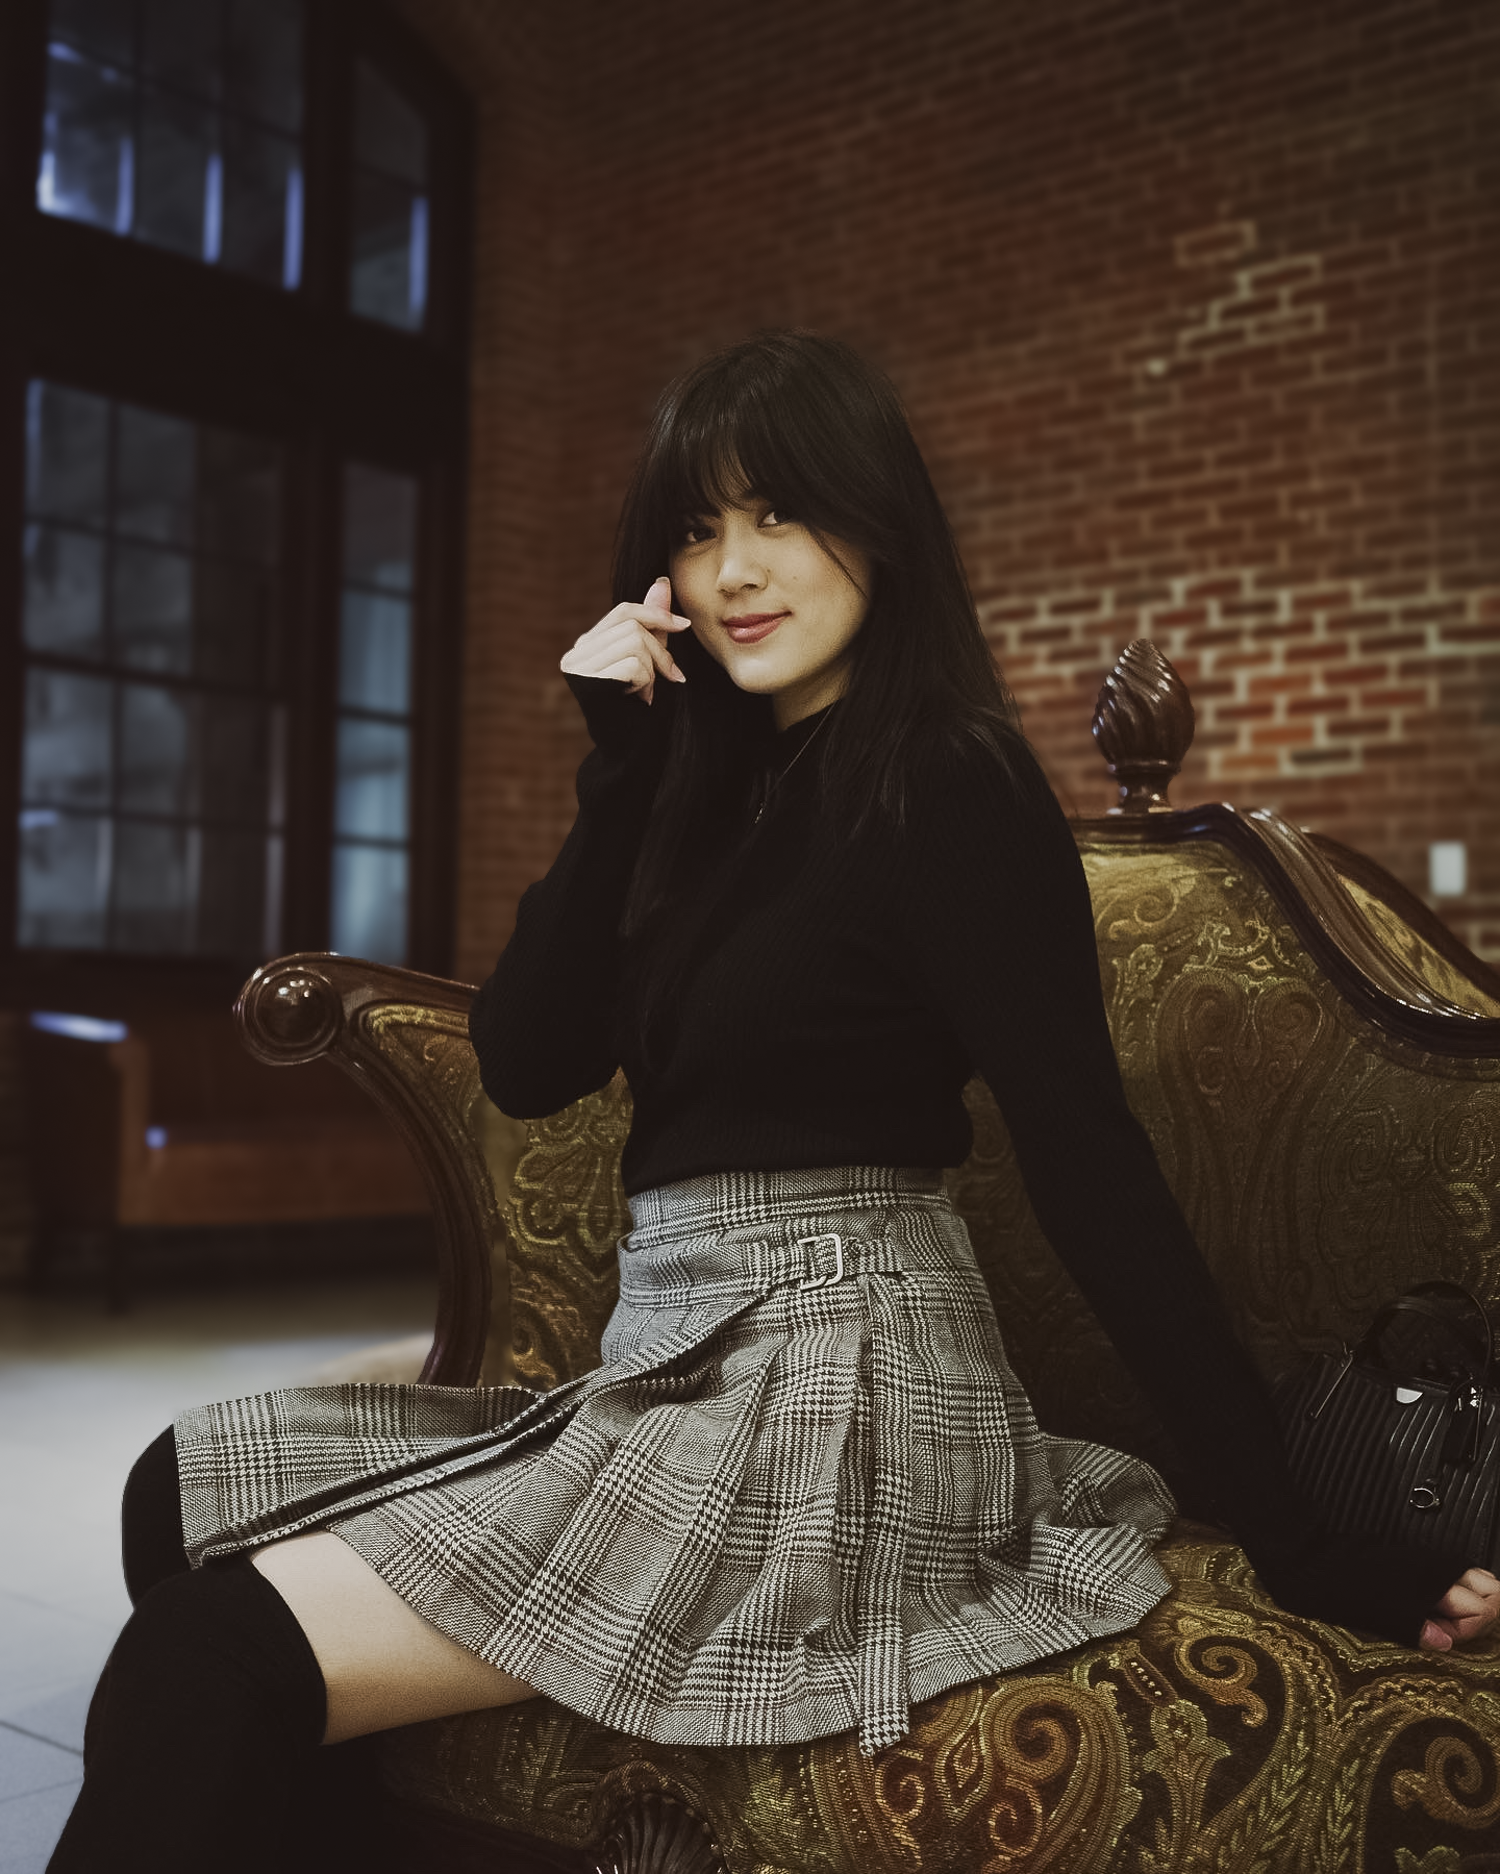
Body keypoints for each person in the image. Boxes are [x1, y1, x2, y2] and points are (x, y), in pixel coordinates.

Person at [50, 330, 1499, 1871]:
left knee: (205, 1650)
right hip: (677, 1347)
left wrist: (1294, 1533)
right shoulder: (708, 792)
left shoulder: (949, 778)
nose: (733, 567)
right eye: (695, 525)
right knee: (179, 1489)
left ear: (877, 525)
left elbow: (1091, 1159)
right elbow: (532, 1060)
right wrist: (620, 769)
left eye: (777, 514)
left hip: (840, 1377)